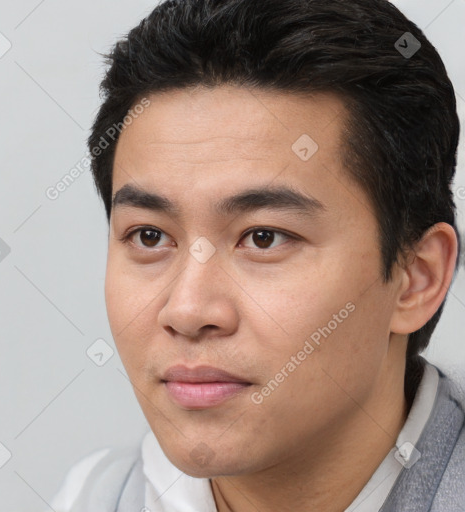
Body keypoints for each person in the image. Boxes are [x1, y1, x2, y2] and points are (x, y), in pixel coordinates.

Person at [49, 0, 465, 510]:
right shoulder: (94, 496)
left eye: (264, 237)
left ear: (416, 277)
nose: (187, 310)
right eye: (150, 237)